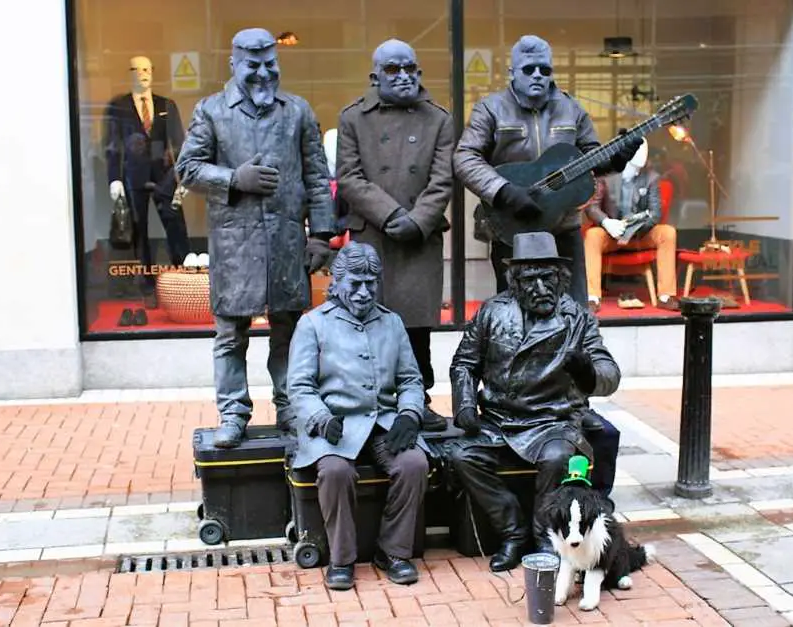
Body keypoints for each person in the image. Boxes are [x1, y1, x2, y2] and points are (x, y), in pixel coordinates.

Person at [176, 28, 334, 448]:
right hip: (234, 247)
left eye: (270, 64)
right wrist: (234, 178)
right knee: (230, 336)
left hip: (285, 244)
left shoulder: (297, 112)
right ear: (233, 65)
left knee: (289, 332)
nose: (263, 74)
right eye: (253, 65)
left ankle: (290, 408)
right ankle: (232, 413)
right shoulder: (211, 112)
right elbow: (188, 168)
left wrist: (320, 234)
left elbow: (318, 177)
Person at [448, 231, 622, 572]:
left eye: (548, 278)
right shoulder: (491, 312)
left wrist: (588, 374)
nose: (541, 288)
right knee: (459, 455)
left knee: (557, 457)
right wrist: (466, 406)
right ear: (514, 283)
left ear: (561, 280)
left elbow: (609, 372)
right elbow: (464, 364)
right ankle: (513, 533)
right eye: (530, 279)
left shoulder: (576, 318)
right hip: (499, 420)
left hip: (552, 421)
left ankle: (544, 538)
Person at [453, 35, 643, 307]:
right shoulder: (490, 109)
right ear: (512, 73)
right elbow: (464, 157)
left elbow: (590, 156)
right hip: (512, 226)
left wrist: (615, 160)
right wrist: (504, 192)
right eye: (529, 69)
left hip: (564, 226)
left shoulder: (571, 108)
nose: (538, 75)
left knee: (573, 310)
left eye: (545, 69)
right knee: (515, 314)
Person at [288, 241, 429, 591]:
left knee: (414, 465)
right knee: (335, 472)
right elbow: (299, 387)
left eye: (371, 283)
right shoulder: (313, 325)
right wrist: (321, 418)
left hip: (383, 423)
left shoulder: (392, 323)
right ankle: (342, 558)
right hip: (335, 427)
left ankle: (393, 551)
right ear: (336, 282)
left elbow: (411, 379)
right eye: (355, 283)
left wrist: (409, 414)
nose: (364, 292)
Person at [337, 38, 454, 432]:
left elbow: (443, 181)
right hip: (373, 235)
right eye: (392, 70)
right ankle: (369, 402)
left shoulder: (439, 119)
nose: (403, 76)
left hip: (419, 239)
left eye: (410, 69)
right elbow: (349, 178)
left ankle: (418, 400)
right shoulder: (353, 118)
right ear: (375, 77)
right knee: (366, 320)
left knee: (416, 328)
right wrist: (390, 215)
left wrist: (417, 220)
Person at [104, 56, 191, 307]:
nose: (142, 74)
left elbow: (179, 143)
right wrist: (114, 179)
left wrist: (184, 177)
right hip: (134, 176)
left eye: (146, 69)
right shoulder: (118, 107)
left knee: (175, 226)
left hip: (165, 177)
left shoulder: (167, 105)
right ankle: (146, 286)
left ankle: (184, 279)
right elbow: (112, 145)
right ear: (129, 73)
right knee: (138, 231)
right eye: (137, 69)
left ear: (152, 72)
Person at [584, 138, 679, 312]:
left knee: (667, 233)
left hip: (639, 234)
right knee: (592, 236)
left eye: (645, 149)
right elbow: (592, 207)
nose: (643, 153)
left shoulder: (651, 177)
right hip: (612, 234)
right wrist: (608, 223)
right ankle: (592, 297)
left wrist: (631, 230)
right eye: (639, 149)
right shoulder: (606, 176)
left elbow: (655, 213)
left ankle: (666, 295)